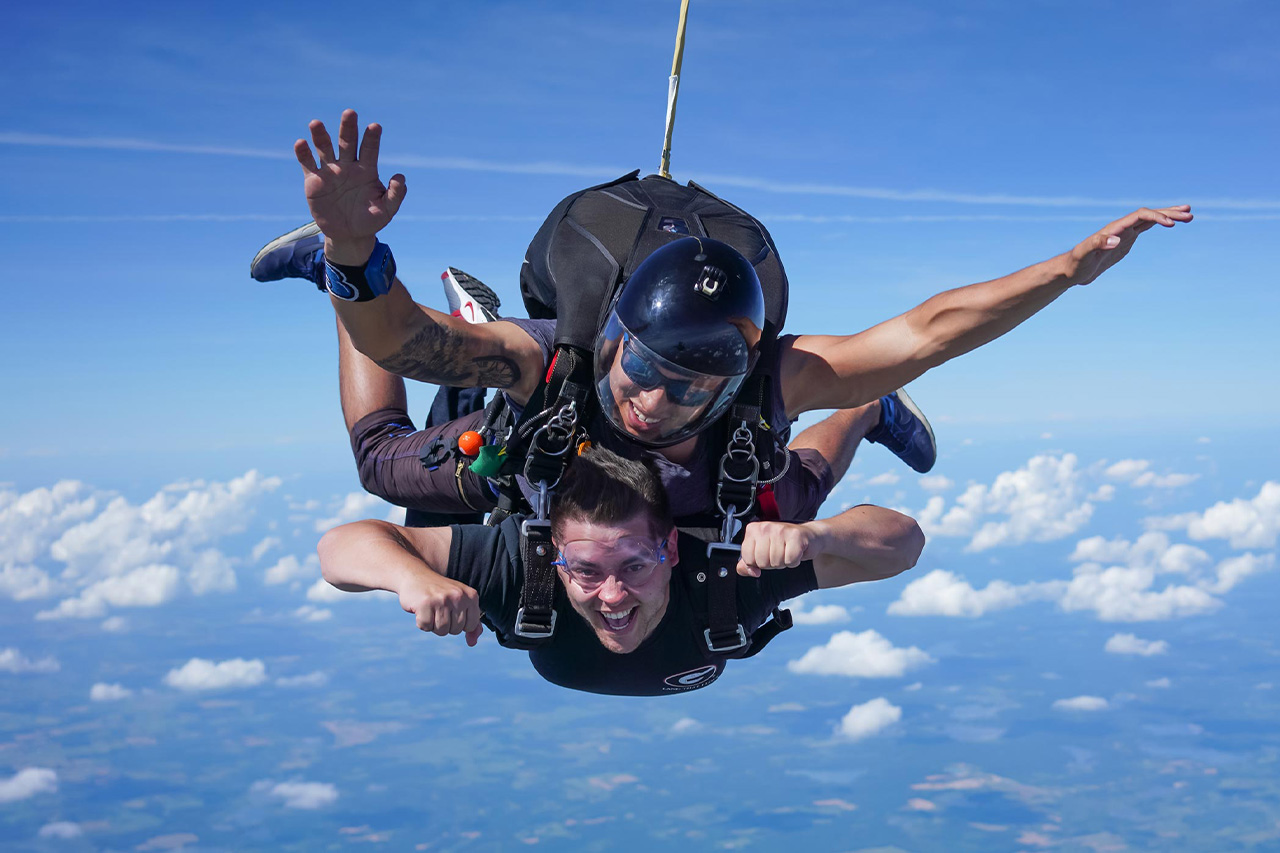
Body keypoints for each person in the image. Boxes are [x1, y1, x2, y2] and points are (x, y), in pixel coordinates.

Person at [317, 439, 924, 696]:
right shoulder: (520, 567)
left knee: (801, 484)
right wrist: (412, 576)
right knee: (384, 457)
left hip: (676, 481)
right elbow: (341, 548)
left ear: (673, 550)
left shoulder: (726, 580)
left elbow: (902, 545)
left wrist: (814, 537)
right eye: (583, 570)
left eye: (634, 566)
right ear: (556, 558)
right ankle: (346, 271)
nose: (610, 594)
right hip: (542, 466)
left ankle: (868, 406)